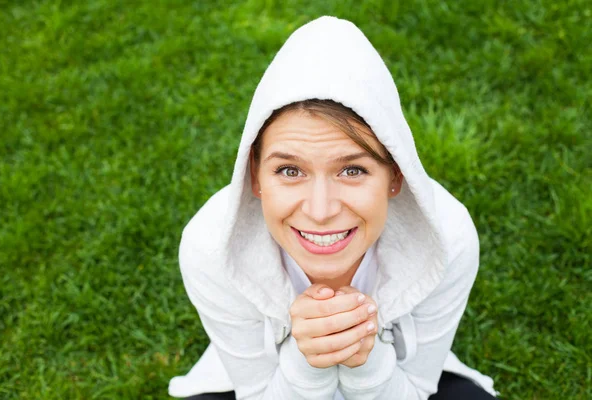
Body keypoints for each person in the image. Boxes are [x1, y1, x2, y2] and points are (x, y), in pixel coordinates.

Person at [169, 16, 499, 400]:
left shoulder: (449, 237)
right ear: (254, 176)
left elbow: (416, 389)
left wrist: (367, 361)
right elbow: (258, 392)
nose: (321, 210)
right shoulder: (209, 246)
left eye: (353, 170)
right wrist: (307, 363)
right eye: (290, 170)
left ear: (396, 175)